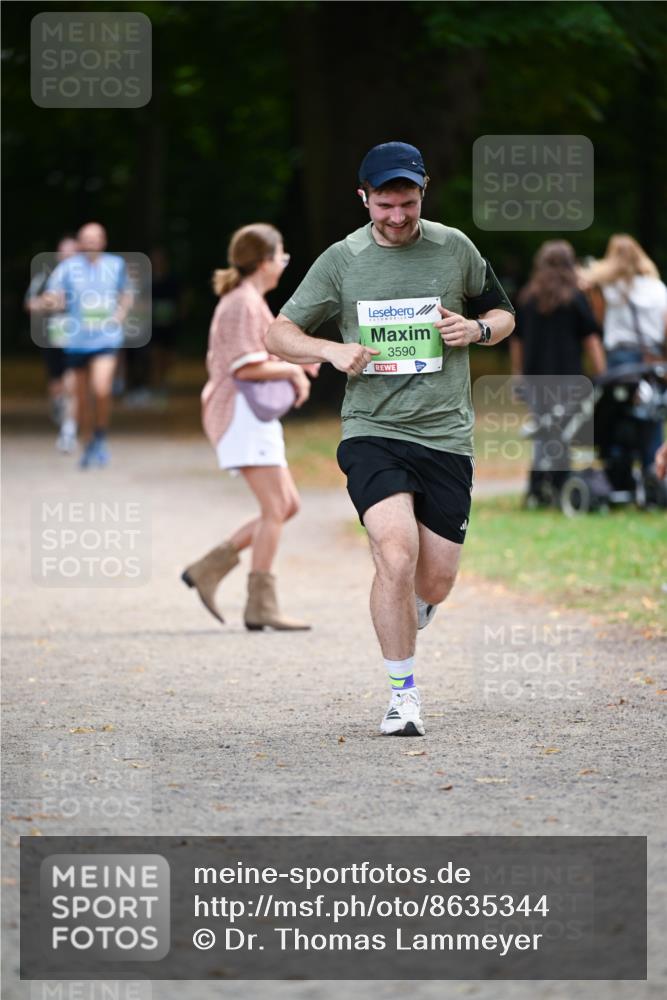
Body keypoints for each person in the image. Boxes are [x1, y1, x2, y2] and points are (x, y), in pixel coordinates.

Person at [266, 141, 515, 736]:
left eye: (407, 203)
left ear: (422, 192)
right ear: (364, 199)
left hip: (445, 433)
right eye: (384, 205)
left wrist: (475, 329)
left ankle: (416, 606)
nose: (397, 217)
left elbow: (504, 315)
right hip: (373, 430)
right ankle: (403, 696)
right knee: (395, 554)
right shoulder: (342, 259)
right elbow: (279, 333)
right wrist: (330, 350)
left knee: (435, 579)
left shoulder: (455, 248)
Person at [181, 223, 316, 631]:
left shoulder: (250, 300)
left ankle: (208, 567)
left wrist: (300, 360)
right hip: (242, 415)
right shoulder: (242, 303)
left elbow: (265, 352)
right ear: (263, 261)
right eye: (282, 257)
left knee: (287, 505)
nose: (283, 264)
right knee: (275, 508)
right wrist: (293, 373)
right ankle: (261, 605)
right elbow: (246, 366)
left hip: (253, 418)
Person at [510, 240, 606, 505]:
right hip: (567, 379)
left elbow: (516, 340)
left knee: (545, 432)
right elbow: (591, 338)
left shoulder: (528, 296)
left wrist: (518, 374)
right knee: (562, 433)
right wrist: (602, 372)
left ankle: (539, 487)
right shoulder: (574, 298)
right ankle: (558, 485)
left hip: (534, 379)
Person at [44, 222, 133, 468]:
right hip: (77, 341)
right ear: (81, 242)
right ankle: (88, 443)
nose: (92, 242)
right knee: (81, 399)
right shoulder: (68, 268)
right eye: (87, 238)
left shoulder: (116, 265)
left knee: (102, 389)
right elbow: (53, 295)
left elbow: (126, 293)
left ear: (104, 241)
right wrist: (53, 301)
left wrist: (120, 314)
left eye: (96, 237)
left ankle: (101, 435)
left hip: (106, 339)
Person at [582, 234, 667, 470]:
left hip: (622, 361)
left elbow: (597, 318)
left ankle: (620, 472)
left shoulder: (609, 288)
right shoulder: (657, 287)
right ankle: (654, 473)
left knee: (617, 416)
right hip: (653, 360)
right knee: (651, 415)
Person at [24, 235, 79, 452]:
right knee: (56, 384)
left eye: (73, 251)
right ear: (58, 254)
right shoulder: (44, 276)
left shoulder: (88, 277)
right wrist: (48, 304)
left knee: (71, 381)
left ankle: (69, 429)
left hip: (77, 338)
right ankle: (61, 413)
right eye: (64, 251)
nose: (68, 255)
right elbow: (29, 304)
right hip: (52, 338)